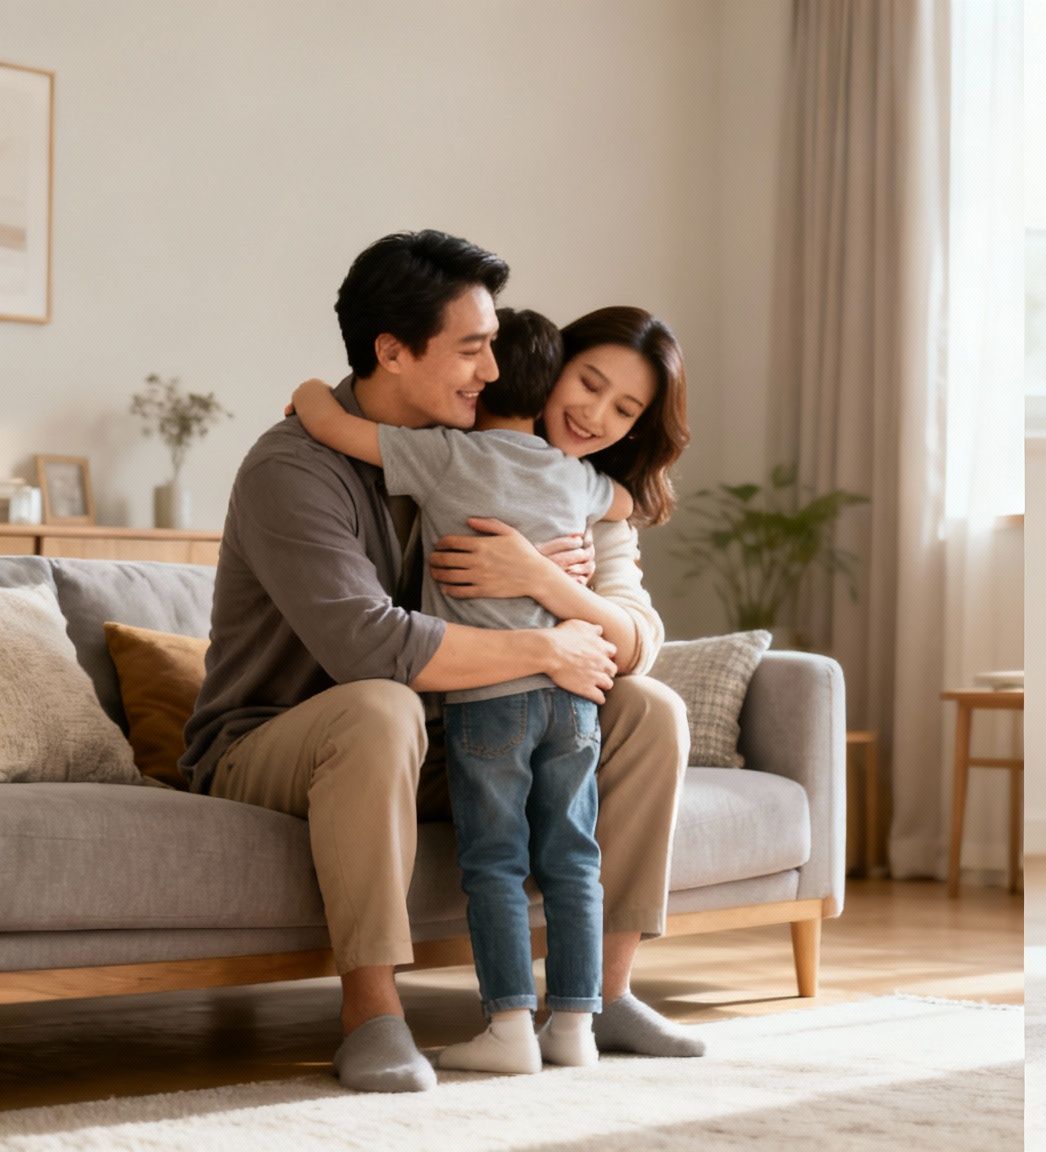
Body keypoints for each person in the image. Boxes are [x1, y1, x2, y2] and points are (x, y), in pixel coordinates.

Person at [183, 231, 701, 1093]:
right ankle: (373, 1015)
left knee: (649, 709)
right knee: (378, 703)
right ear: (391, 349)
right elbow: (369, 647)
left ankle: (600, 996)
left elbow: (634, 625)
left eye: (495, 347)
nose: (493, 372)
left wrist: (544, 582)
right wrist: (546, 643)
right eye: (471, 349)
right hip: (273, 740)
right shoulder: (294, 469)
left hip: (451, 729)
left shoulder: (516, 463)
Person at [290, 305, 632, 1075]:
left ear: (488, 378)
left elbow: (332, 428)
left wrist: (312, 389)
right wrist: (570, 556)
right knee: (575, 859)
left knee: (496, 863)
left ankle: (510, 1028)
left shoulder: (444, 454)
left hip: (490, 703)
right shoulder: (573, 475)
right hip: (574, 698)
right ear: (547, 394)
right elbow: (628, 504)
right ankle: (575, 1027)